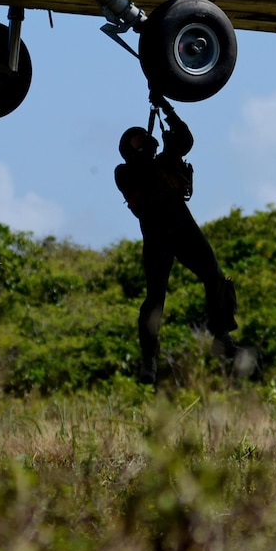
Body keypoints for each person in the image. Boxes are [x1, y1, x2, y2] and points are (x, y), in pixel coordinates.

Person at [115, 96, 249, 384]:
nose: (144, 139)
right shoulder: (125, 172)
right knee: (155, 298)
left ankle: (221, 335)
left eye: (143, 136)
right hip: (158, 234)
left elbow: (185, 138)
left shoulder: (164, 159)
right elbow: (142, 179)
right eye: (138, 139)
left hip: (182, 226)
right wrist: (160, 149)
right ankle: (149, 358)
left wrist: (166, 108)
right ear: (129, 150)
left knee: (214, 275)